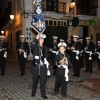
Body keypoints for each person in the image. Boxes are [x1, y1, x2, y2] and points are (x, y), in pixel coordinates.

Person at [31, 33, 49, 99]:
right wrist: (36, 38)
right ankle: (33, 92)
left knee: (43, 81)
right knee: (35, 80)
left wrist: (42, 58)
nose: (42, 40)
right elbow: (31, 46)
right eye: (41, 39)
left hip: (43, 66)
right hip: (36, 66)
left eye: (43, 39)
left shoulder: (45, 48)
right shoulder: (35, 46)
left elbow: (46, 56)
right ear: (38, 40)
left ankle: (43, 94)